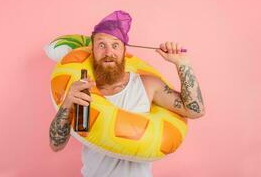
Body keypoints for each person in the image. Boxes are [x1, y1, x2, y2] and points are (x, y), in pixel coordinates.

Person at [49, 10, 205, 177]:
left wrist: (183, 64)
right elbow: (56, 145)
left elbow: (196, 110)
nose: (109, 52)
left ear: (124, 51)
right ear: (92, 50)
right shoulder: (82, 88)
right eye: (101, 45)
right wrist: (66, 103)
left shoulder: (148, 85)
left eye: (115, 45)